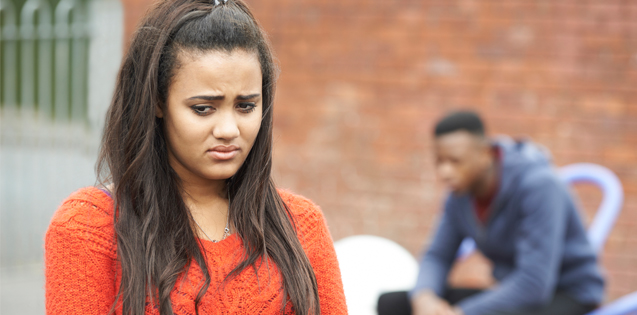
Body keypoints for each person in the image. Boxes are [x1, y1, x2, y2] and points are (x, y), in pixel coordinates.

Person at [44, 1, 347, 314]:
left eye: (246, 106)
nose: (229, 130)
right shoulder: (90, 229)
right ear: (158, 103)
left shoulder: (299, 225)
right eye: (203, 108)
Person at [378, 111, 604, 315]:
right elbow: (438, 255)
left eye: (455, 161)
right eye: (439, 161)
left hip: (569, 296)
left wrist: (461, 312)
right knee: (393, 304)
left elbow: (534, 283)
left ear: (485, 154)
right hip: (516, 295)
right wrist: (425, 298)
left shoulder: (539, 186)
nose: (444, 172)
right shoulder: (459, 196)